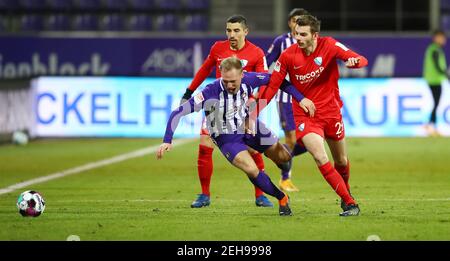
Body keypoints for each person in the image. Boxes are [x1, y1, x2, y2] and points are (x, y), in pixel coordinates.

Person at [157, 57, 309, 216]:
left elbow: (279, 81)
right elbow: (178, 112)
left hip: (250, 125)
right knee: (252, 169)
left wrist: (301, 99)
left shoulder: (250, 79)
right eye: (226, 80)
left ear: (242, 75)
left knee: (284, 157)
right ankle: (282, 197)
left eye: (233, 81)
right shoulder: (210, 91)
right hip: (226, 136)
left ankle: (282, 161)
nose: (229, 85)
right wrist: (167, 140)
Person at [258, 15, 368, 216]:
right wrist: (254, 113)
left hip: (331, 112)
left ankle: (345, 192)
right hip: (305, 115)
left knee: (341, 160)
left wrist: (354, 62)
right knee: (319, 156)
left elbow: (361, 59)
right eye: (295, 34)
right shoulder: (288, 56)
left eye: (302, 34)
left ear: (315, 35)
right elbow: (273, 85)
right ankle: (350, 203)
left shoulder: (329, 45)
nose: (298, 38)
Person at [179, 15, 274, 208]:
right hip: (216, 107)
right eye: (229, 30)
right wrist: (189, 92)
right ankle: (204, 195)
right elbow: (204, 70)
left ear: (245, 32)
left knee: (253, 148)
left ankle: (260, 195)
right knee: (205, 144)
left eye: (236, 30)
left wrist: (255, 105)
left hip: (244, 106)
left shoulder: (256, 53)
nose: (232, 34)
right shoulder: (217, 48)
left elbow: (265, 81)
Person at [265, 8, 310, 192]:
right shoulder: (281, 42)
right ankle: (285, 179)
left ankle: (274, 152)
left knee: (308, 142)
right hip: (285, 98)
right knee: (291, 138)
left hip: (305, 99)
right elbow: (265, 63)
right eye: (294, 20)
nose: (297, 24)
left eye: (301, 21)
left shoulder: (310, 41)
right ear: (290, 22)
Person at [423, 30, 447, 137]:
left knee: (436, 103)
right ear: (436, 38)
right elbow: (438, 66)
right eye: (441, 37)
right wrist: (447, 75)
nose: (443, 40)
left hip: (433, 79)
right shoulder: (435, 50)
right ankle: (431, 126)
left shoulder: (433, 49)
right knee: (436, 103)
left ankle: (431, 125)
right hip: (435, 80)